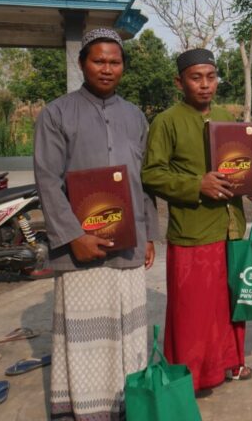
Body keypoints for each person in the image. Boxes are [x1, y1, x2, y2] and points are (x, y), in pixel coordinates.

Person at [33, 27, 158, 421]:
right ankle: (87, 409)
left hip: (129, 244)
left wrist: (150, 233)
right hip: (81, 248)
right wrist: (73, 236)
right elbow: (47, 180)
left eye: (115, 61)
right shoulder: (57, 113)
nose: (107, 68)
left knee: (128, 328)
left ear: (123, 66)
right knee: (88, 334)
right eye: (98, 60)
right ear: (82, 63)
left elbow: (144, 180)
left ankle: (129, 405)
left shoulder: (135, 116)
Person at [141, 48, 252, 392]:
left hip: (231, 228)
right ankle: (192, 377)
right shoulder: (166, 122)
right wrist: (197, 185)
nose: (205, 85)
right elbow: (152, 174)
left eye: (211, 77)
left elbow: (241, 164)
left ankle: (230, 363)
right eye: (196, 78)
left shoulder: (227, 116)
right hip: (193, 230)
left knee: (230, 305)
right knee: (193, 312)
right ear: (179, 81)